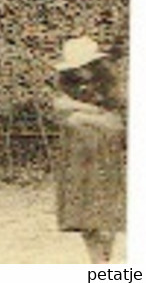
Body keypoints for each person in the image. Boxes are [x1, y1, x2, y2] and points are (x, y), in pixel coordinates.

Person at [52, 36, 125, 263]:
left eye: (83, 67)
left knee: (106, 213)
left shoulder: (109, 84)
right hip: (77, 156)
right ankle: (97, 264)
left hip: (104, 156)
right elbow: (58, 107)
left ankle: (105, 265)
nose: (79, 73)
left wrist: (79, 115)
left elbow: (115, 122)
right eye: (74, 69)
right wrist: (90, 114)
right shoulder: (65, 83)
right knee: (83, 214)